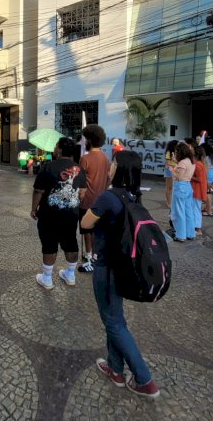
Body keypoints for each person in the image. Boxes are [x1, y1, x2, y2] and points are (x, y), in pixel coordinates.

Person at [80, 150, 161, 399]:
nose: (110, 166)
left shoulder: (107, 197)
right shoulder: (134, 196)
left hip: (107, 267)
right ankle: (115, 369)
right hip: (127, 267)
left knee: (115, 323)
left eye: (113, 163)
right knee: (113, 318)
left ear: (121, 168)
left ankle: (144, 379)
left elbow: (84, 223)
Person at [30, 137, 86, 290]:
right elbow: (82, 192)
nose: (54, 149)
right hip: (70, 214)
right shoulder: (79, 168)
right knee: (70, 242)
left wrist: (34, 209)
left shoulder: (48, 167)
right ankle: (70, 275)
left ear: (60, 150)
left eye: (56, 146)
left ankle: (47, 278)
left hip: (49, 215)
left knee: (49, 243)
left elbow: (38, 191)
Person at [78, 124, 111, 274]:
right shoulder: (105, 158)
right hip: (101, 201)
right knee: (97, 230)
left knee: (86, 230)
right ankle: (96, 255)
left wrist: (80, 198)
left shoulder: (85, 158)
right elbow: (109, 178)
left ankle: (88, 255)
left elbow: (82, 182)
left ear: (90, 139)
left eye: (85, 139)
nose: (83, 142)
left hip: (87, 201)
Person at [168, 142, 196, 242]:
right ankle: (190, 233)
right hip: (188, 186)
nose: (175, 153)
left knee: (179, 212)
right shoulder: (191, 161)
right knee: (188, 211)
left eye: (176, 151)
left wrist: (172, 170)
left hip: (180, 187)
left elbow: (179, 177)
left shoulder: (182, 162)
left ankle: (180, 235)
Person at [191, 145, 208, 236]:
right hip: (198, 190)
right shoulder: (200, 163)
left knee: (195, 209)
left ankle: (198, 229)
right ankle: (196, 228)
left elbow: (199, 179)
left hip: (197, 190)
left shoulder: (198, 164)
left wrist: (189, 176)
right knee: (196, 209)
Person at [202, 143, 213, 216]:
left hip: (209, 175)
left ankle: (209, 211)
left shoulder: (206, 157)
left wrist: (204, 178)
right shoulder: (212, 157)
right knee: (210, 192)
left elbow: (206, 169)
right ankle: (207, 208)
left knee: (208, 193)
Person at [163, 140, 178, 209]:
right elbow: (167, 162)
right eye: (176, 144)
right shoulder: (168, 152)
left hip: (174, 170)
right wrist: (175, 163)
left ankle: (170, 201)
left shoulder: (176, 152)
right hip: (169, 170)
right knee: (168, 187)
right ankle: (168, 202)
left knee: (171, 187)